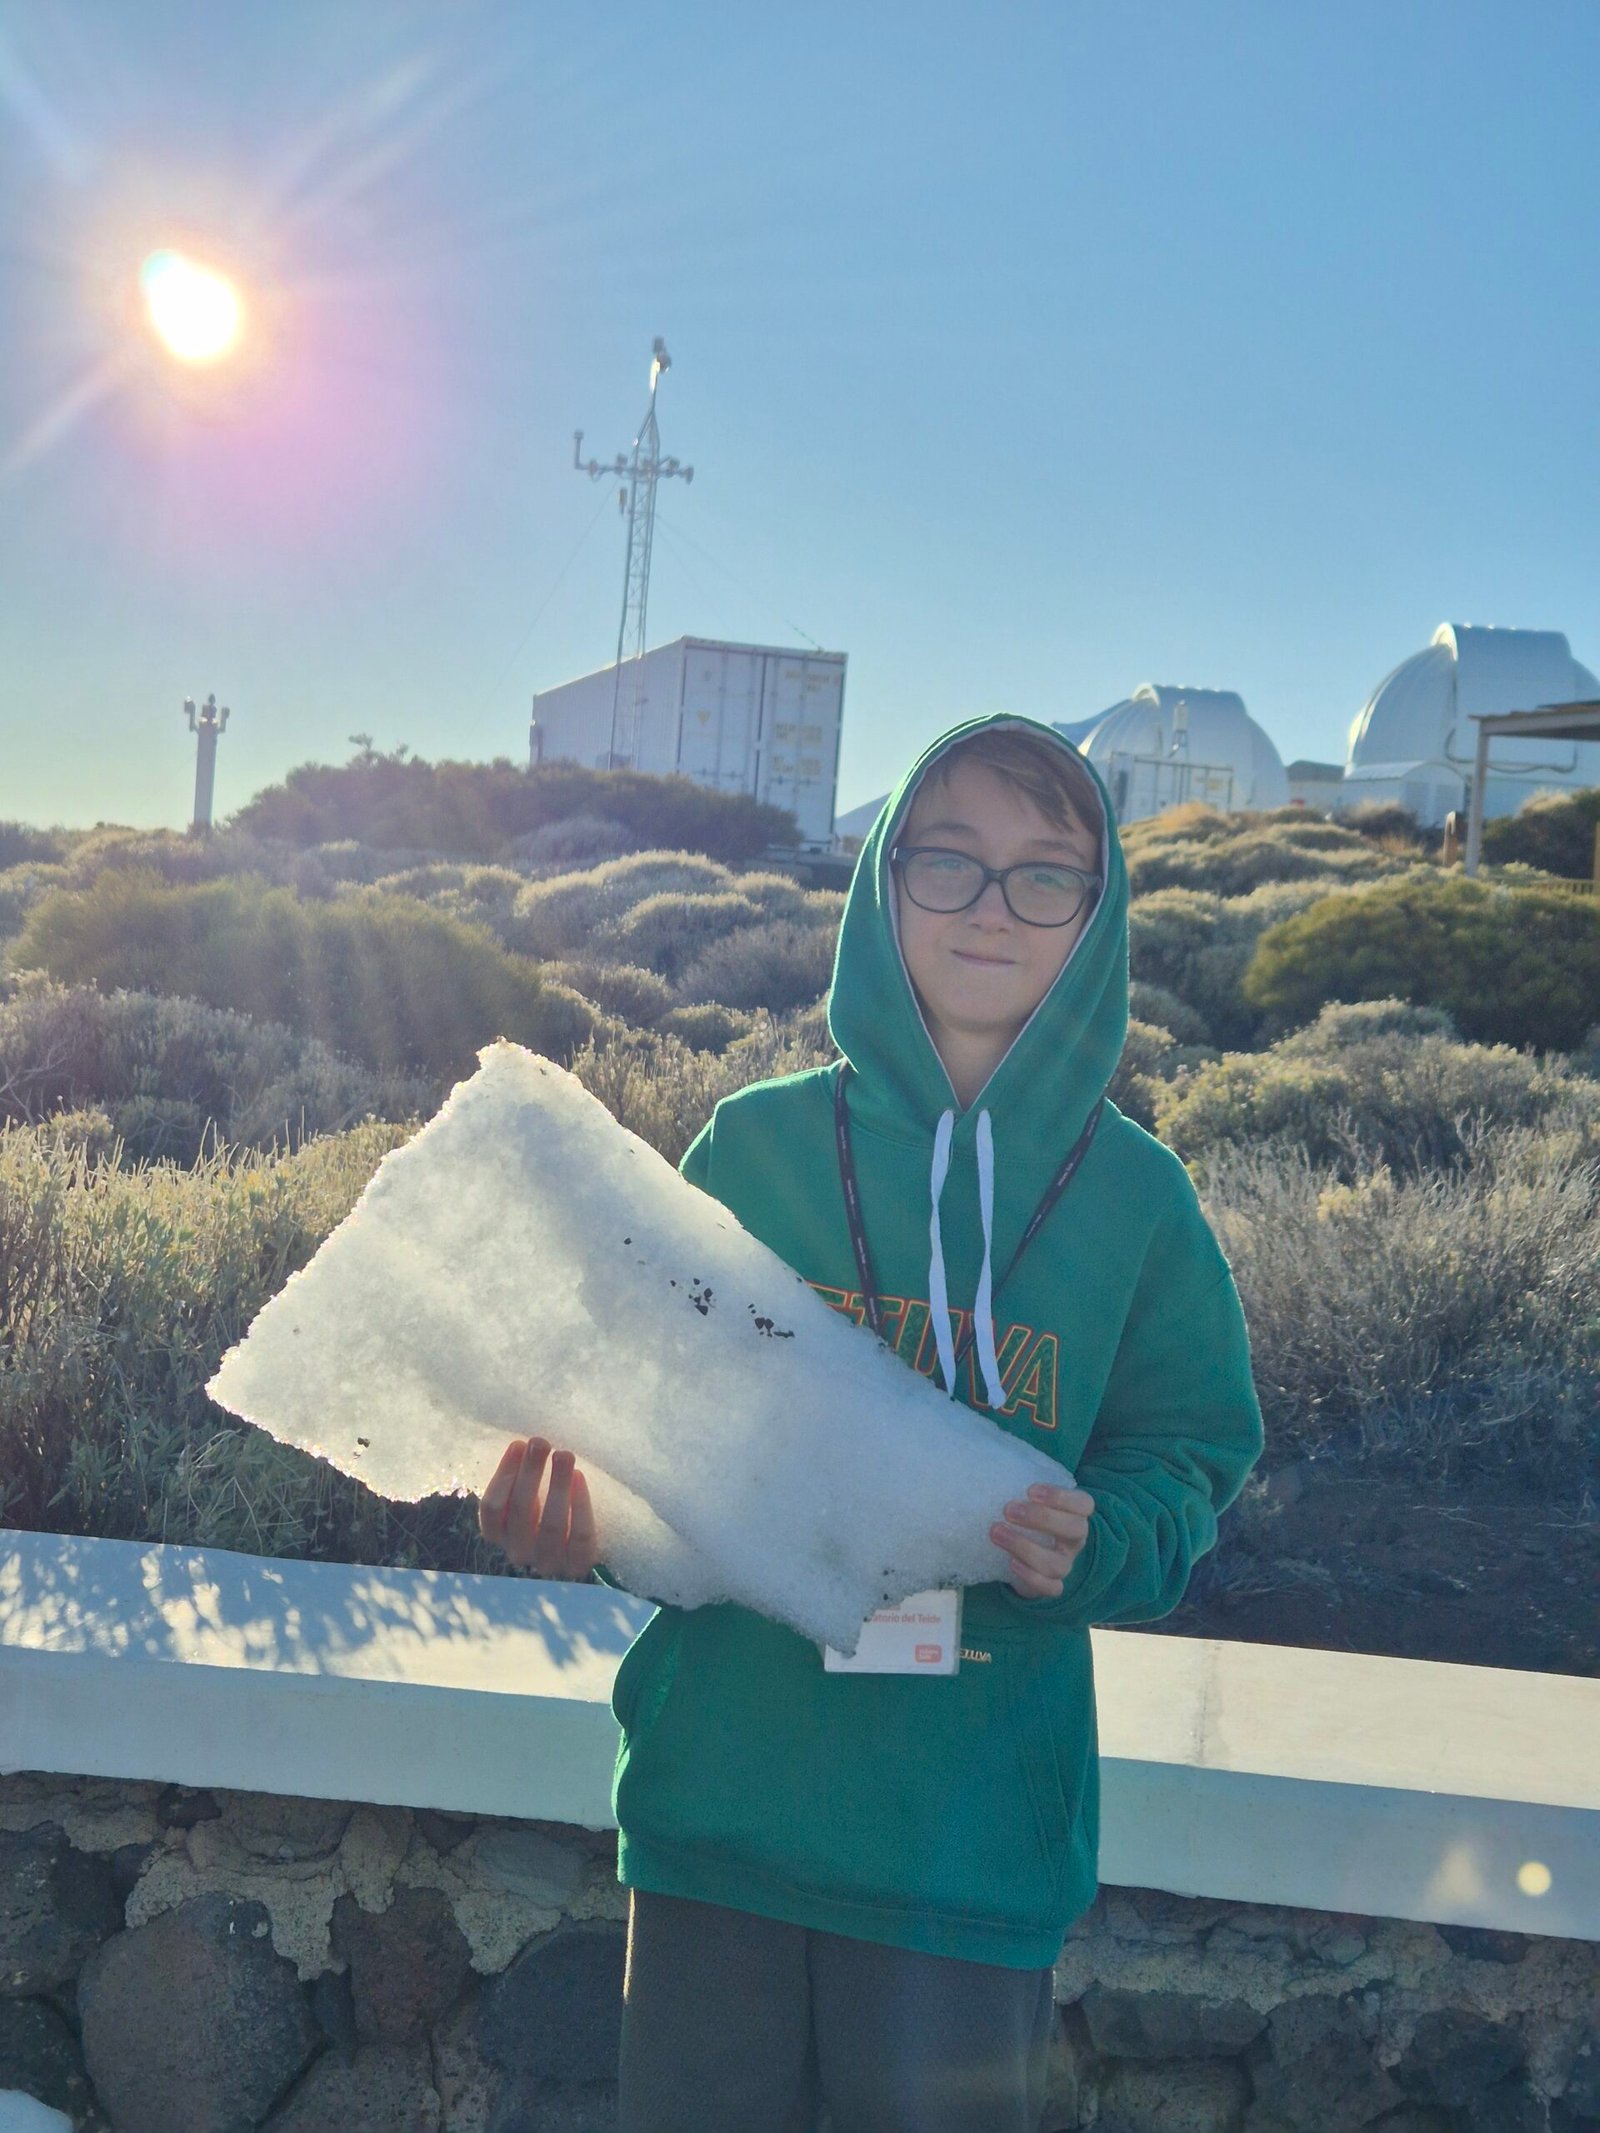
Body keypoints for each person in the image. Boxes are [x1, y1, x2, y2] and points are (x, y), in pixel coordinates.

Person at [479, 714, 1264, 2132]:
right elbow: (646, 1431)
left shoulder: (1141, 1204)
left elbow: (1188, 1458)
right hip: (720, 1819)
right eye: (948, 861)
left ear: (1098, 913)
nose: (989, 907)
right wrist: (579, 1522)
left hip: (968, 1862)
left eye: (1043, 874)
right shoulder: (757, 1147)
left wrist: (1102, 1541)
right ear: (883, 881)